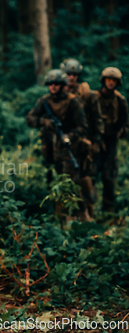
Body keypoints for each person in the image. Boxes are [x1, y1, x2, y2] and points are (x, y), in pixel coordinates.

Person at [26, 69, 90, 221]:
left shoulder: (73, 101)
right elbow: (30, 118)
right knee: (55, 183)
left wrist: (70, 136)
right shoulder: (44, 102)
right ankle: (58, 216)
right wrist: (44, 122)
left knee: (70, 183)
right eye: (51, 84)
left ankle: (75, 217)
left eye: (57, 84)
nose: (53, 87)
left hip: (69, 149)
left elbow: (83, 126)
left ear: (63, 85)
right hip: (50, 148)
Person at [60, 58, 104, 217]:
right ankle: (70, 216)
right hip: (67, 145)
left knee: (86, 179)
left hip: (85, 144)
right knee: (68, 180)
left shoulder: (88, 95)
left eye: (74, 74)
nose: (71, 77)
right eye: (68, 74)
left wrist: (96, 141)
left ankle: (90, 216)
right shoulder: (59, 94)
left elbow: (97, 119)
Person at [94, 67, 128, 212]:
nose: (111, 83)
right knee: (90, 175)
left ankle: (108, 211)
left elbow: (126, 123)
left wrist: (121, 132)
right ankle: (88, 209)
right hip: (95, 141)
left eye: (113, 80)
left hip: (111, 142)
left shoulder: (120, 100)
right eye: (108, 80)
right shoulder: (94, 97)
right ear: (103, 81)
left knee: (109, 178)